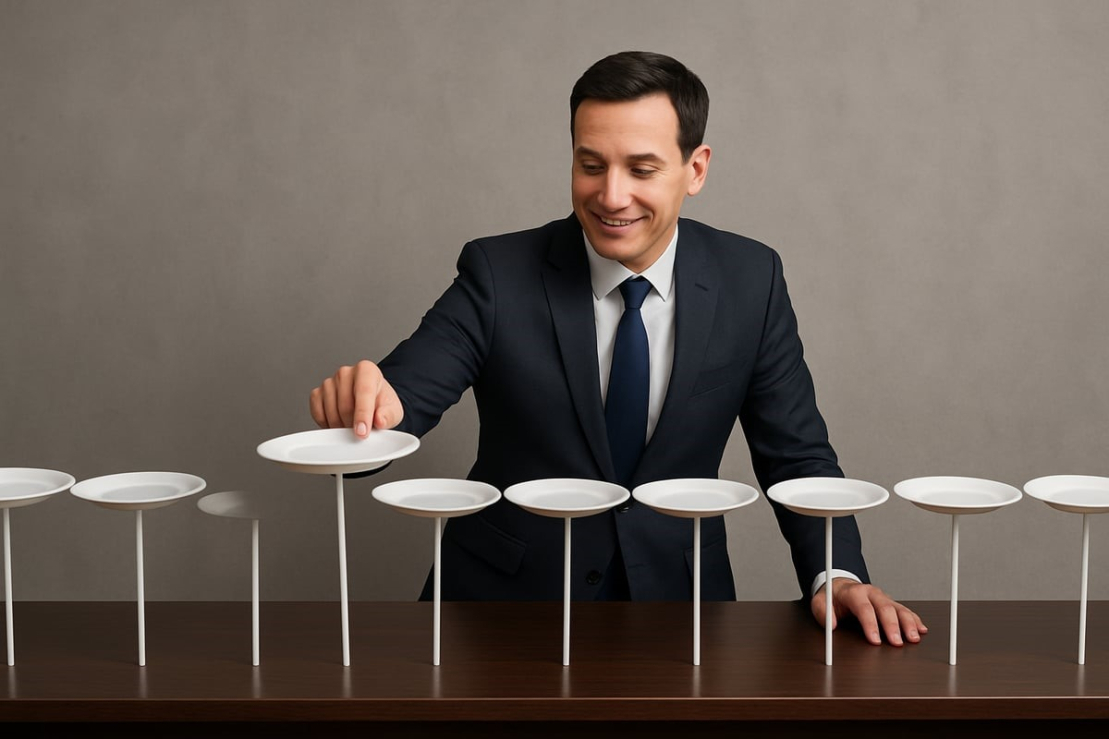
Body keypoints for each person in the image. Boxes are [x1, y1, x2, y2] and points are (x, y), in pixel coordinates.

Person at [310, 51, 926, 646]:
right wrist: (367, 413)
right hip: (498, 616)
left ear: (697, 168)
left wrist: (836, 574)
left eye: (641, 168)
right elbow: (399, 401)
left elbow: (797, 456)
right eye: (591, 164)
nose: (610, 196)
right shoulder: (498, 273)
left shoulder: (751, 279)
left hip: (680, 615)